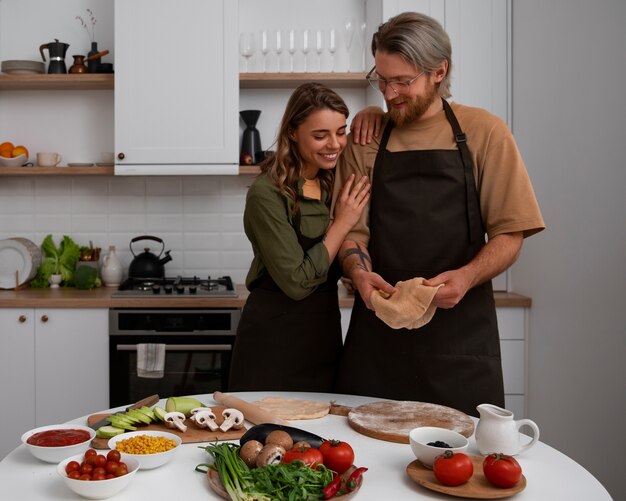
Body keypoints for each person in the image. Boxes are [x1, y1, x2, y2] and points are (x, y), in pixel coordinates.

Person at [332, 12, 545, 416]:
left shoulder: (485, 132)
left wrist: (465, 277)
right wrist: (359, 274)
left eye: (402, 81)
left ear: (438, 72)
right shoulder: (367, 138)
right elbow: (351, 233)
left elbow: (510, 234)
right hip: (378, 338)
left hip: (460, 341)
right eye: (381, 78)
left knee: (460, 466)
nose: (389, 92)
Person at [229, 82, 370, 392]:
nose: (334, 144)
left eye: (341, 131)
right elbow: (296, 281)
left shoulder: (333, 184)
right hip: (273, 343)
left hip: (323, 337)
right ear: (292, 132)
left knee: (321, 438)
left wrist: (372, 111)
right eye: (320, 135)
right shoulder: (267, 193)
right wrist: (342, 222)